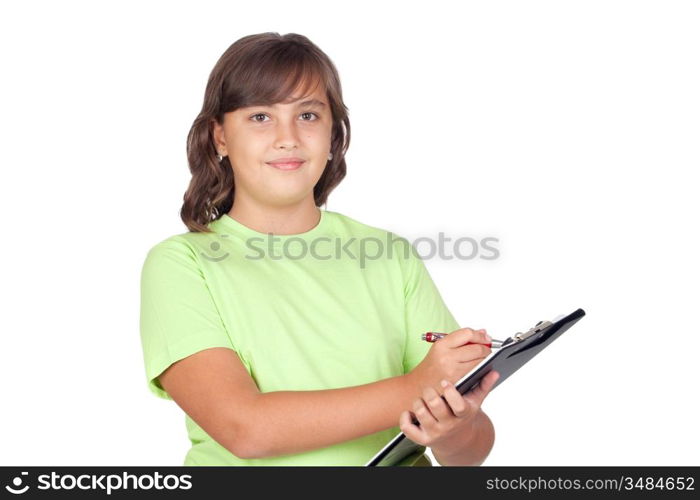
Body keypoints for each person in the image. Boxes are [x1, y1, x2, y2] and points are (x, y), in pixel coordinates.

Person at [139, 32, 499, 466]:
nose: (287, 137)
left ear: (332, 135)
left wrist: (452, 428)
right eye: (260, 117)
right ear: (220, 137)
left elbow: (468, 453)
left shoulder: (388, 255)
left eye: (308, 115)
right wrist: (417, 387)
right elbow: (245, 429)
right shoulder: (182, 265)